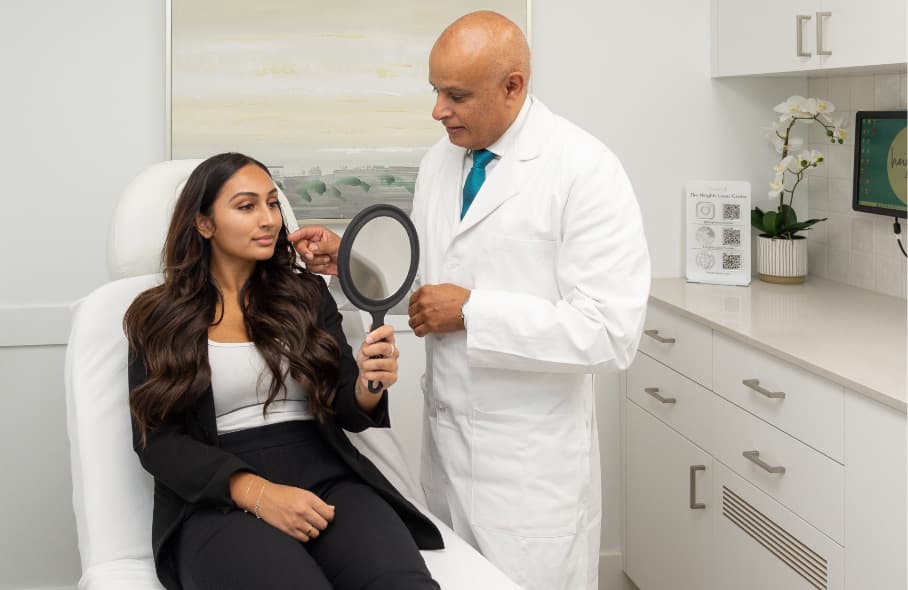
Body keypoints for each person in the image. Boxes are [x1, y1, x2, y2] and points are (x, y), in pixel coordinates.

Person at [291, 11, 651, 590]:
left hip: (530, 472)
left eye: (455, 95)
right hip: (447, 449)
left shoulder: (584, 170)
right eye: (434, 91)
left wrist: (473, 312)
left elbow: (610, 331)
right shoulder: (441, 161)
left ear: (514, 86)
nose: (438, 110)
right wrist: (350, 261)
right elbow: (428, 286)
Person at [123, 152, 443, 590]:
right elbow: (157, 443)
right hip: (220, 497)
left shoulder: (305, 294)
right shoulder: (157, 316)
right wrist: (256, 492)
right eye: (246, 206)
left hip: (327, 478)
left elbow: (345, 404)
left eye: (272, 203)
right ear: (204, 223)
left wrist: (370, 384)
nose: (269, 219)